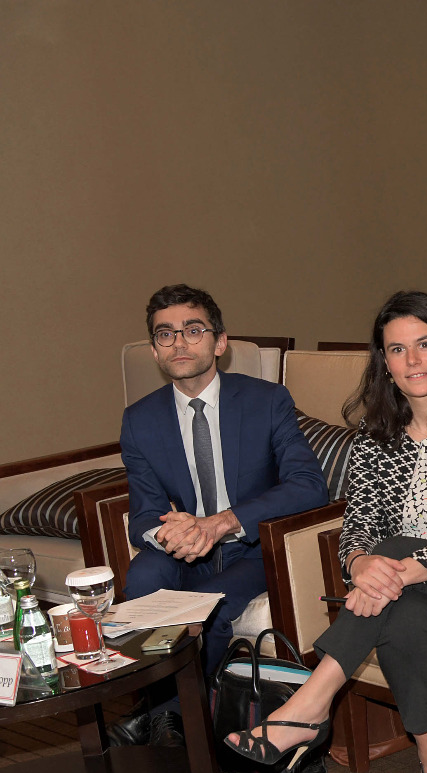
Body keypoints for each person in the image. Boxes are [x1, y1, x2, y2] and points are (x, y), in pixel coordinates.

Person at [224, 291, 427, 773]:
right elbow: (359, 519)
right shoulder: (375, 434)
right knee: (404, 616)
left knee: (391, 557)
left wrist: (392, 566)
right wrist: (359, 561)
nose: (413, 361)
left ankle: (310, 703)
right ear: (384, 362)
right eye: (397, 350)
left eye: (425, 344)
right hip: (417, 593)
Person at [112, 285, 327, 749]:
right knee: (143, 577)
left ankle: (166, 716)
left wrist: (223, 522)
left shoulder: (267, 400)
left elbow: (309, 485)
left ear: (219, 342)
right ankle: (166, 709)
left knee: (206, 601)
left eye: (193, 330)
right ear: (154, 350)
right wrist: (173, 534)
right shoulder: (140, 419)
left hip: (253, 546)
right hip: (186, 548)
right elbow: (144, 512)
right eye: (165, 334)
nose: (179, 343)